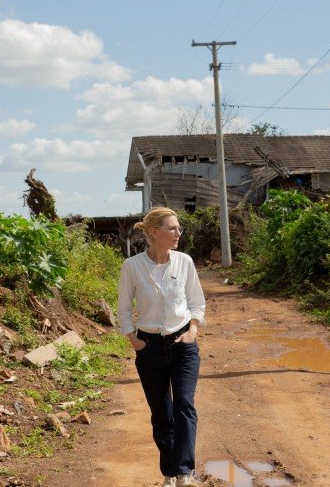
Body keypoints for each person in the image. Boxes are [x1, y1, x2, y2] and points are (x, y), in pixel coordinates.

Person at [117, 207, 206, 487]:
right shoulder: (132, 266)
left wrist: (192, 331)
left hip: (183, 344)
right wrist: (135, 341)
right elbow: (122, 308)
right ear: (154, 233)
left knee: (184, 405)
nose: (178, 233)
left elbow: (197, 303)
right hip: (150, 347)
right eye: (172, 228)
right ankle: (170, 472)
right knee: (161, 413)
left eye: (179, 228)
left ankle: (184, 472)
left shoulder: (185, 262)